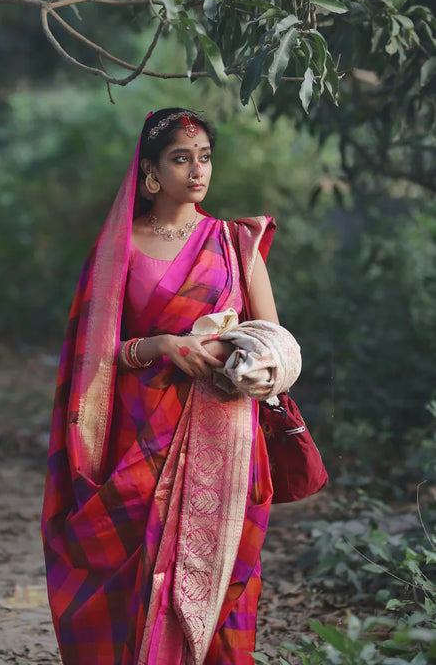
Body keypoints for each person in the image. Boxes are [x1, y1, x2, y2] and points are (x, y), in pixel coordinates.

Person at [41, 108, 288, 665]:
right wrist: (163, 346)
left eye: (204, 158)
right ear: (150, 172)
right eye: (181, 158)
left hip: (222, 434)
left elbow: (273, 340)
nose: (197, 170)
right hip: (138, 431)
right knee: (136, 567)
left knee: (217, 578)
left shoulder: (233, 242)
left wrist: (226, 351)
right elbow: (92, 355)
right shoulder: (117, 250)